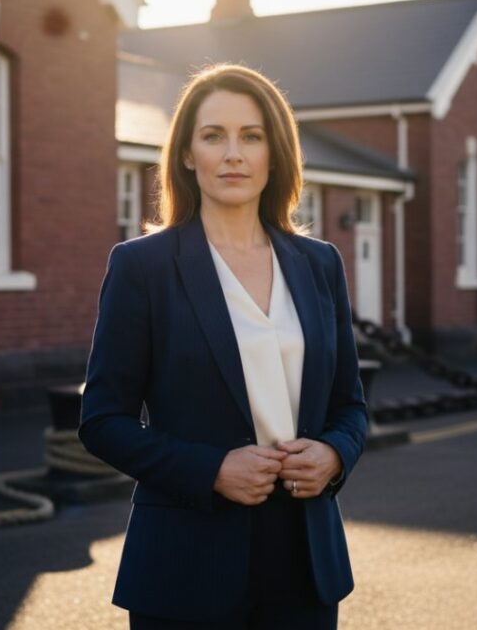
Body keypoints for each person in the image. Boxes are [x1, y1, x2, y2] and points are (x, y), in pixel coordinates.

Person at [79, 63, 368, 629]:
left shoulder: (320, 265)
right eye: (214, 136)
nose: (233, 153)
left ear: (274, 152)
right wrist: (211, 469)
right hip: (186, 564)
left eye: (251, 136)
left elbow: (349, 406)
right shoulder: (142, 267)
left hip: (305, 563)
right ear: (188, 155)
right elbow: (102, 420)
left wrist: (334, 455)